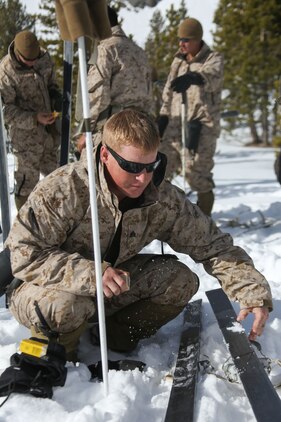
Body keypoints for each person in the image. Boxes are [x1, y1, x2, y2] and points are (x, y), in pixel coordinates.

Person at [5, 109, 271, 362]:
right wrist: (91, 273)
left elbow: (214, 246)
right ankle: (66, 362)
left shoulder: (162, 197)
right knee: (67, 305)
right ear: (106, 155)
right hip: (45, 288)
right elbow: (24, 255)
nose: (143, 178)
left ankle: (113, 338)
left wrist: (253, 293)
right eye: (131, 167)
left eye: (151, 165)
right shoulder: (65, 189)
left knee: (179, 280)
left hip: (110, 286)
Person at [158, 17, 224, 216]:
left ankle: (204, 221)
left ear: (197, 39)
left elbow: (212, 77)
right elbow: (168, 92)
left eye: (186, 40)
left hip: (201, 126)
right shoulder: (178, 60)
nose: (182, 44)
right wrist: (162, 118)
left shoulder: (213, 58)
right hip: (175, 126)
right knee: (161, 171)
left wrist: (195, 77)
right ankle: (163, 216)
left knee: (197, 174)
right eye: (180, 39)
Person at [75, 5, 154, 154]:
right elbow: (149, 97)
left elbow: (98, 96)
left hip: (113, 130)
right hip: (141, 128)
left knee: (95, 173)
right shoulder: (139, 52)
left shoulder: (106, 49)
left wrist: (86, 131)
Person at [0, 30, 62, 211]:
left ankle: (56, 220)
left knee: (57, 180)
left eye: (35, 59)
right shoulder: (5, 73)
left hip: (49, 135)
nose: (33, 63)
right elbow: (6, 111)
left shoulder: (42, 57)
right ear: (18, 55)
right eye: (29, 61)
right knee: (26, 183)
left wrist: (56, 96)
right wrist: (34, 118)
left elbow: (52, 82)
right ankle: (26, 225)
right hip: (25, 140)